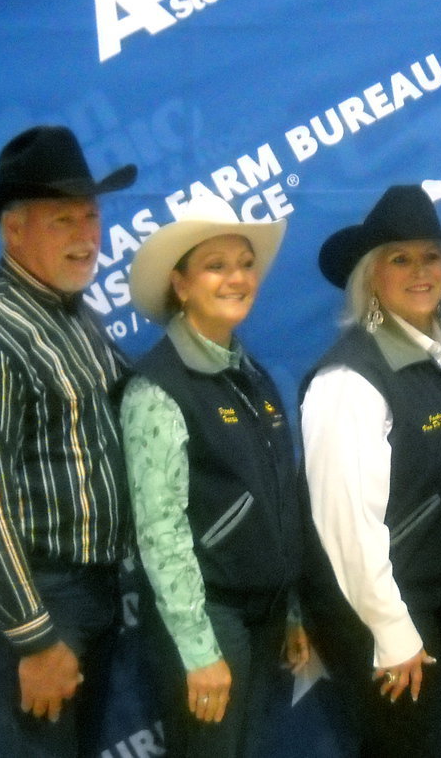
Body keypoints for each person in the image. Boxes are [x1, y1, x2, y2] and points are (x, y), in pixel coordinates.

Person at [0, 125, 137, 755]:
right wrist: (35, 637)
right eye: (63, 220)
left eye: (91, 218)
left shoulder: (72, 315)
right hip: (44, 596)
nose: (86, 237)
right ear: (13, 231)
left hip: (93, 587)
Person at [299, 184, 441, 758]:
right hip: (385, 614)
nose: (421, 271)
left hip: (439, 604)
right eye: (399, 259)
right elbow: (347, 528)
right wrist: (392, 632)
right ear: (370, 277)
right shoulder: (348, 380)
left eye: (431, 255)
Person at [122, 192, 307, 756]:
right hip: (211, 617)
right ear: (181, 284)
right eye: (216, 266)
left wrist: (291, 608)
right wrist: (199, 649)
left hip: (263, 613)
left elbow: (276, 497)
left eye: (245, 264)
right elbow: (161, 532)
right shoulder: (157, 388)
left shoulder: (249, 373)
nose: (237, 278)